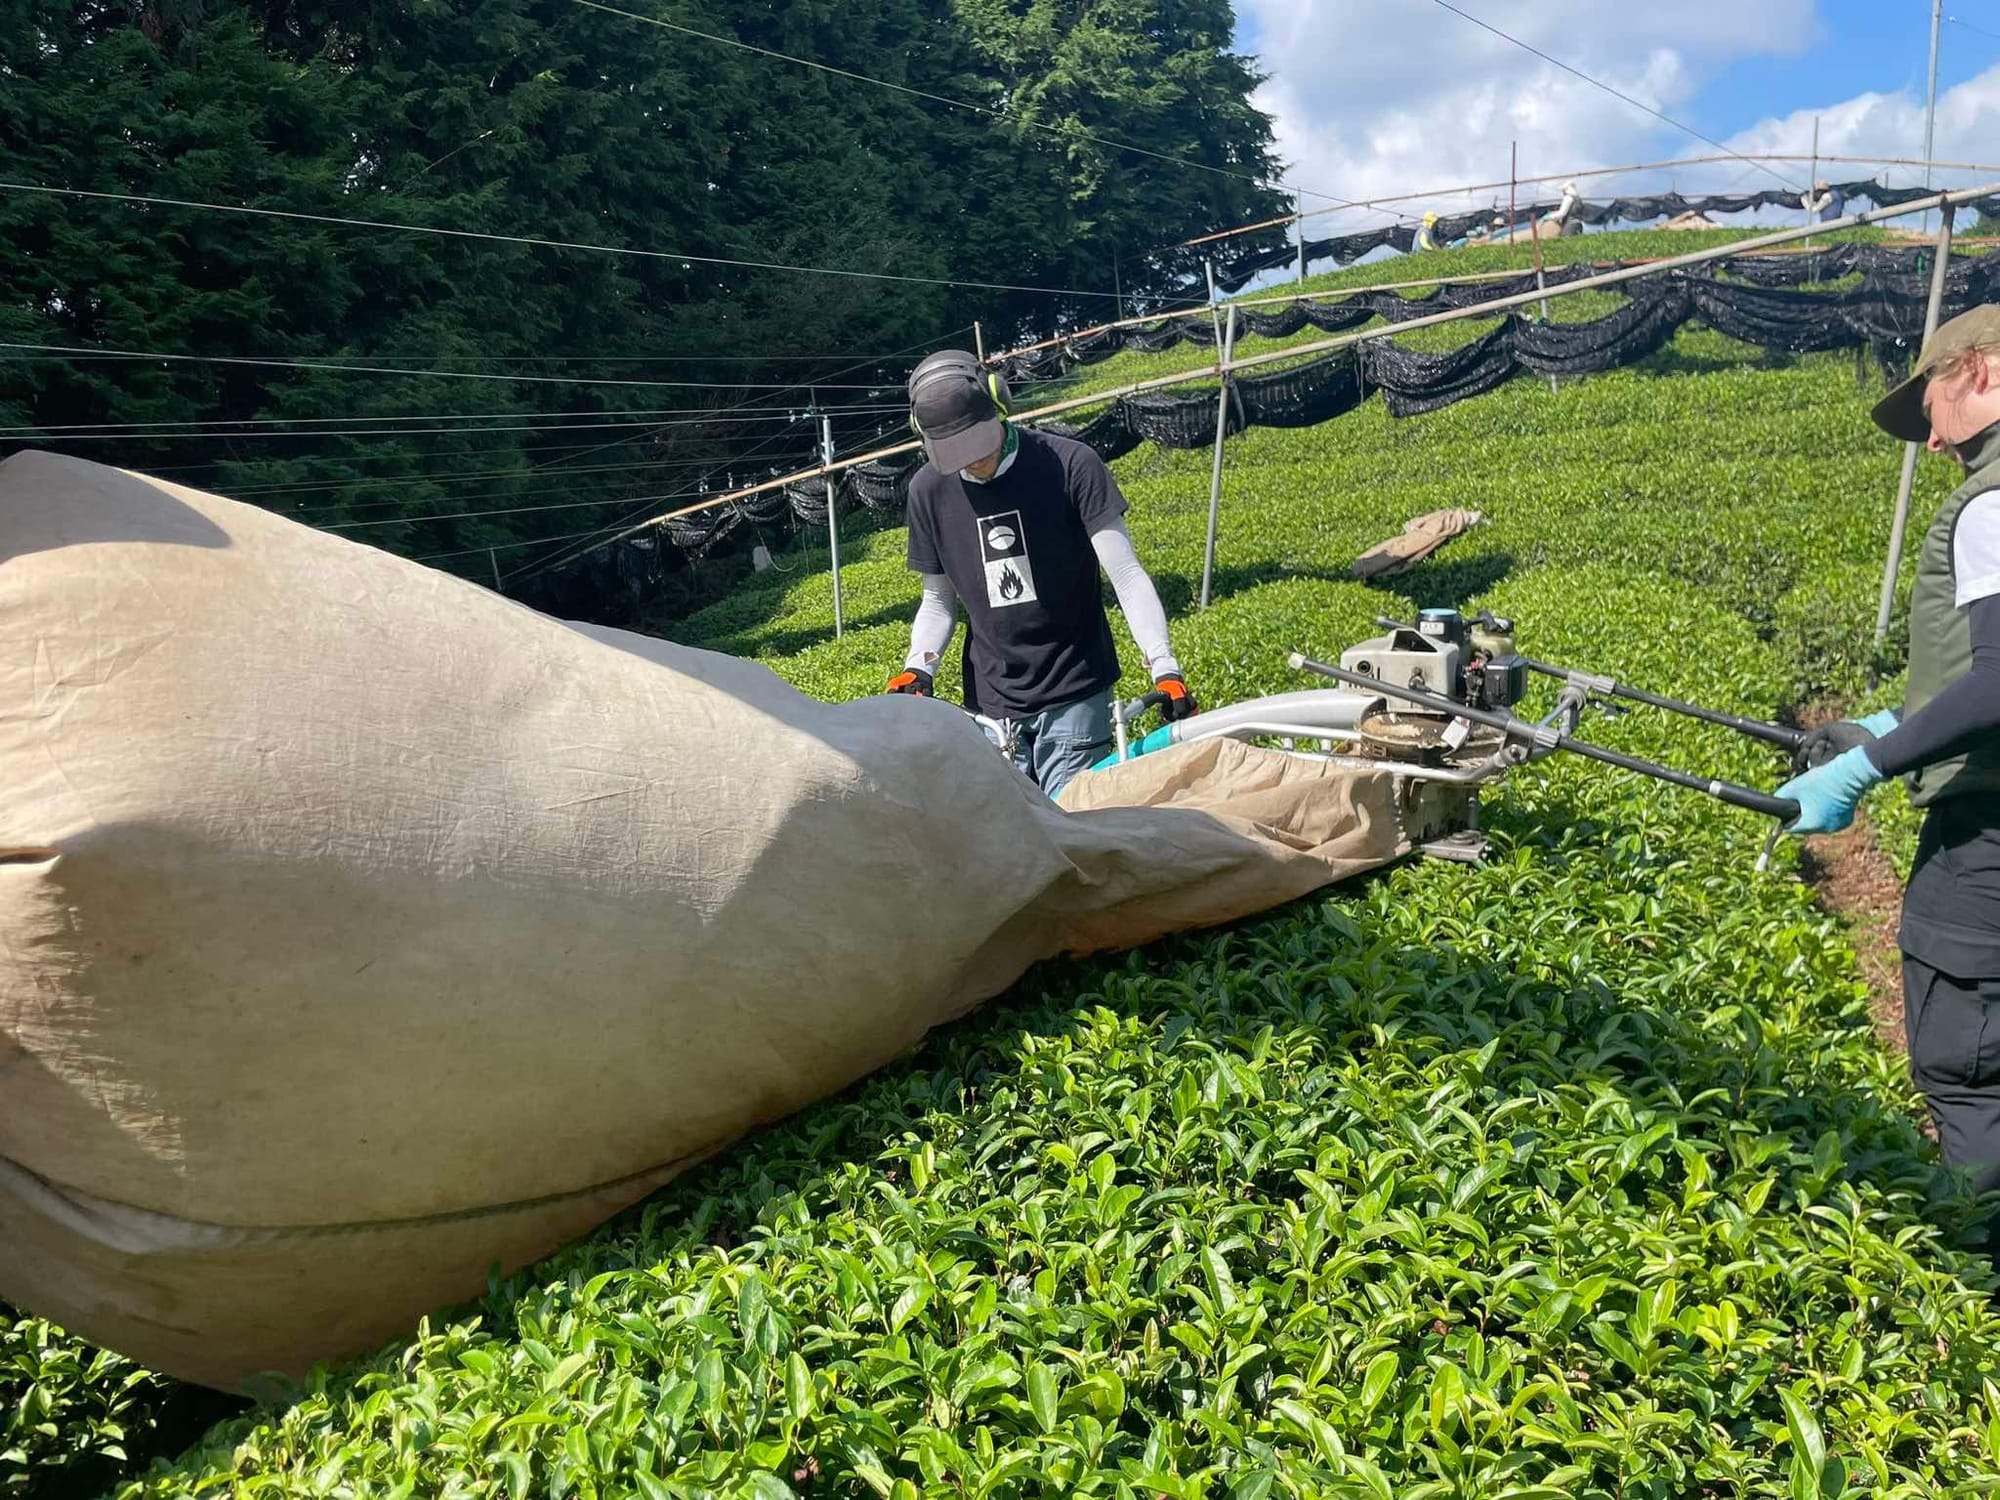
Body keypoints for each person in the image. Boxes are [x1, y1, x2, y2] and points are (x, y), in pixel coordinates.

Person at [1779, 304, 2000, 1236]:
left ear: (1980, 372)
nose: (1937, 443)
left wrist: (1868, 764)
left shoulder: (1994, 499)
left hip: (1988, 844)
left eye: (1934, 410)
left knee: (1968, 1067)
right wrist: (1899, 720)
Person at [885, 350, 1196, 800]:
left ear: (999, 403)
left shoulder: (1071, 464)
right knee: (1013, 838)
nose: (975, 462)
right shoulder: (928, 490)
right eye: (958, 455)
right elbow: (937, 600)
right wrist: (918, 666)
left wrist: (1163, 665)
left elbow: (1125, 575)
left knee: (1070, 826)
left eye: (980, 444)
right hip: (991, 704)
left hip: (1074, 686)